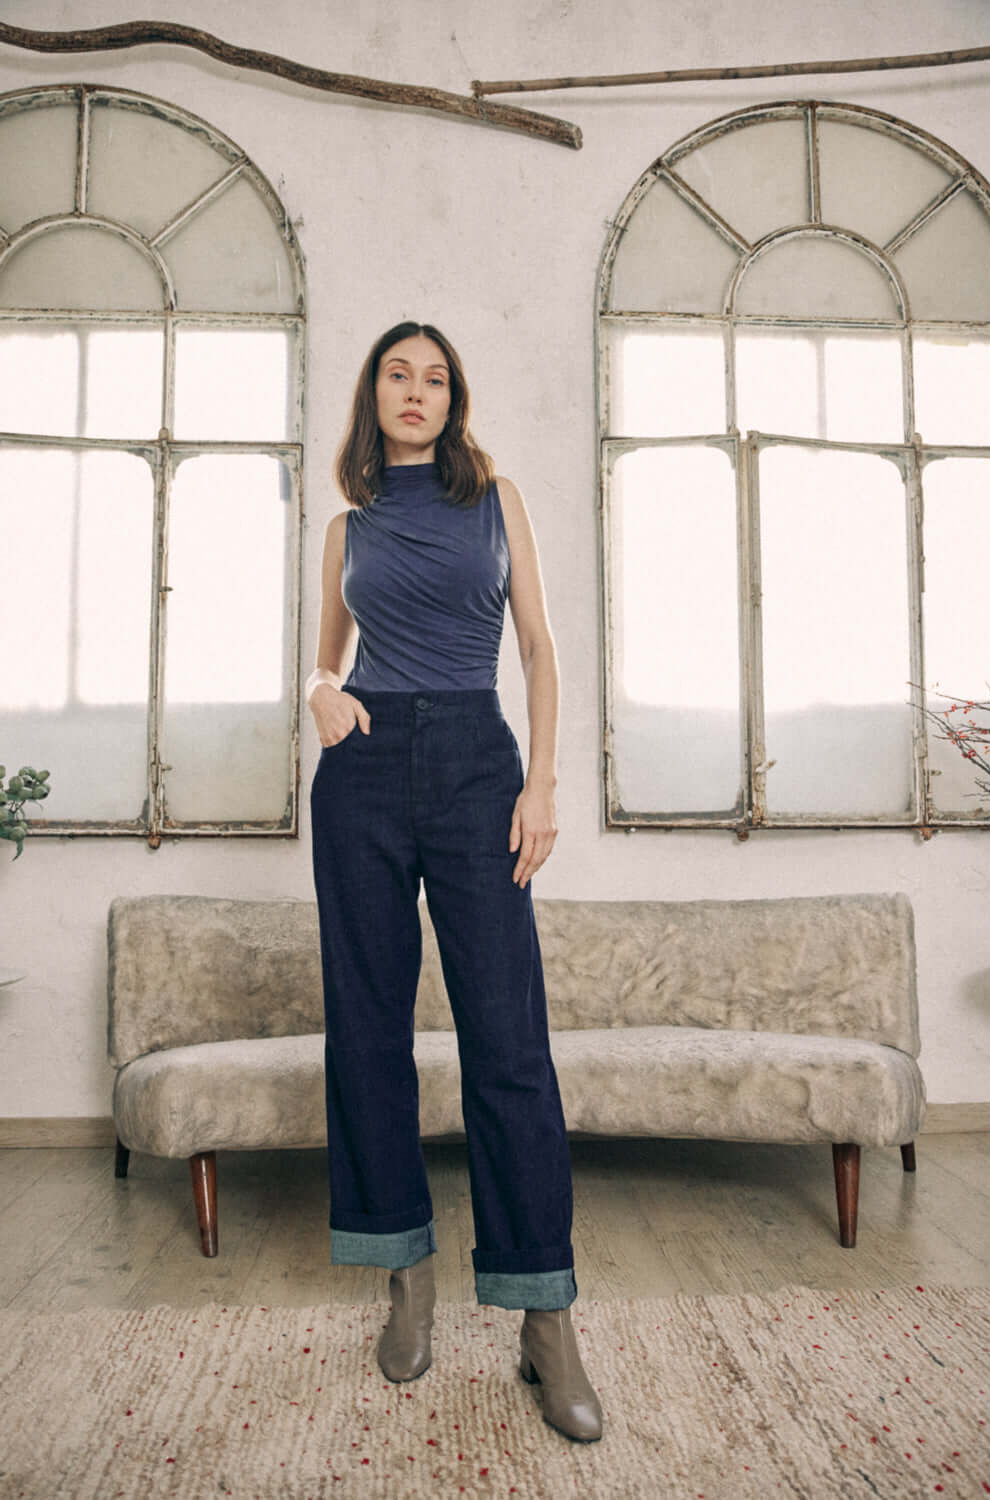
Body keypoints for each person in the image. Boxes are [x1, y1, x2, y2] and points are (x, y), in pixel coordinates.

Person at [306, 321, 602, 1443]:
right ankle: (404, 1272)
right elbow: (328, 656)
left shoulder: (497, 499)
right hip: (365, 772)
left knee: (508, 1041)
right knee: (367, 1029)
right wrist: (317, 689)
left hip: (482, 764)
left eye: (434, 378)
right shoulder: (348, 526)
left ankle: (545, 1314)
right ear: (372, 396)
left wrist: (542, 783)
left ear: (455, 398)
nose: (416, 392)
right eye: (398, 374)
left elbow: (535, 645)